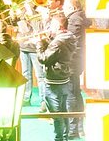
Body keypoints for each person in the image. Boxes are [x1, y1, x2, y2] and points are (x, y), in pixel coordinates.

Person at [38, 13, 80, 141]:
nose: (50, 27)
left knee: (56, 115)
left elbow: (43, 59)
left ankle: (59, 138)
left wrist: (39, 44)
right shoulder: (70, 37)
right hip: (64, 78)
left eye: (52, 25)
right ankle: (65, 137)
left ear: (59, 26)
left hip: (53, 81)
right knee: (63, 112)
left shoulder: (57, 42)